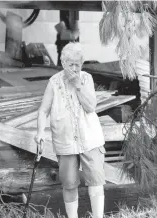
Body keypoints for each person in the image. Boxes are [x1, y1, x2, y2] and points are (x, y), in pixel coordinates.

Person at [35, 42, 106, 218]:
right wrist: (39, 132)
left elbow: (91, 107)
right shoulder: (54, 82)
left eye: (78, 64)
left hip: (90, 138)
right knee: (69, 183)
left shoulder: (86, 78)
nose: (74, 68)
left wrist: (78, 85)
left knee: (96, 181)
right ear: (63, 62)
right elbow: (43, 110)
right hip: (64, 139)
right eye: (70, 64)